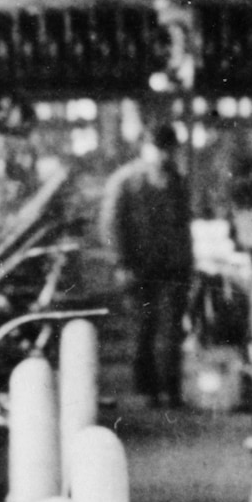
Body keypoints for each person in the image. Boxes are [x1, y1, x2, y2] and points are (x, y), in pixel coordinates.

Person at [98, 104, 195, 411]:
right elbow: (111, 225)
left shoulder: (177, 182)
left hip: (174, 266)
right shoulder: (125, 182)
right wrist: (121, 262)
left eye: (170, 150)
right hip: (139, 267)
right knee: (145, 328)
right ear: (146, 148)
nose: (165, 156)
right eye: (160, 149)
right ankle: (149, 391)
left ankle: (172, 391)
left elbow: (183, 226)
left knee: (172, 330)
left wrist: (188, 262)